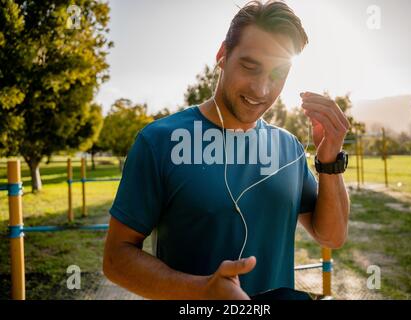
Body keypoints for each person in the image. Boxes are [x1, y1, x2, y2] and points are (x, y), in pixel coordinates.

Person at [103, 0, 350, 300]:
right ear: (222, 55)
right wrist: (201, 291)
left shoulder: (289, 147)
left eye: (277, 74)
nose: (261, 90)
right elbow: (116, 258)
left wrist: (329, 162)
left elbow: (331, 236)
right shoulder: (159, 141)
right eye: (249, 66)